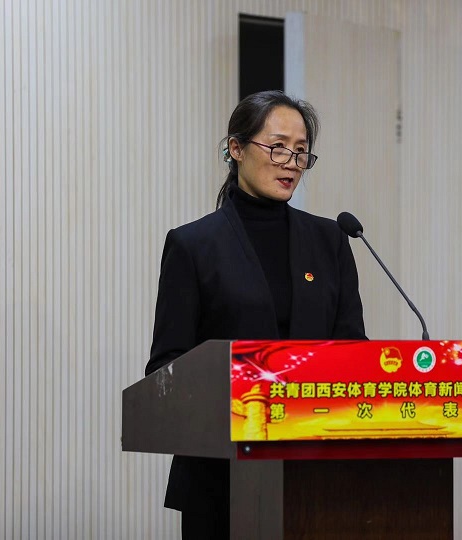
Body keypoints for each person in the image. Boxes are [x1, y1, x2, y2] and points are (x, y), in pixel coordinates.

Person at [145, 90, 366, 539]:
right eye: (278, 147)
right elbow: (167, 367)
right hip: (221, 479)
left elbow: (353, 352)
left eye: (301, 152)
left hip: (316, 475)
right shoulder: (193, 246)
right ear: (237, 148)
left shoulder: (330, 241)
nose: (291, 163)